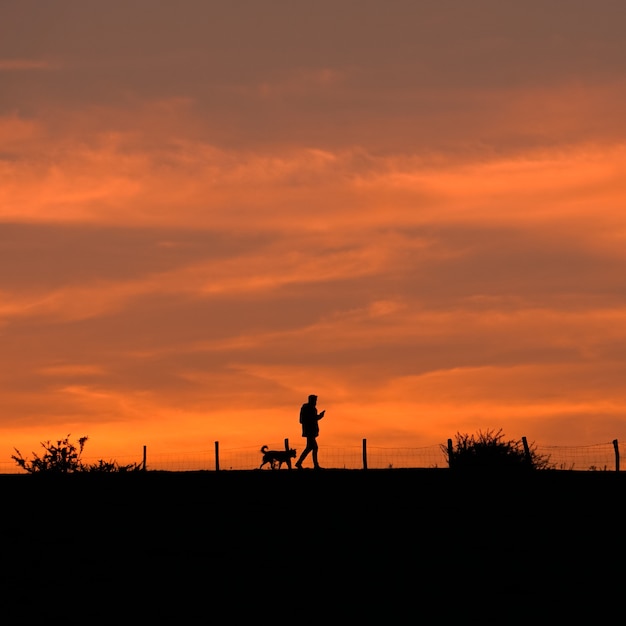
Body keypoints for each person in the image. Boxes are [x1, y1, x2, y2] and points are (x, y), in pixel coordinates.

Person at [295, 394, 326, 470]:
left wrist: (319, 416)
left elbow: (313, 419)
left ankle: (299, 463)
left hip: (311, 431)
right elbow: (303, 420)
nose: (316, 402)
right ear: (311, 400)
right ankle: (315, 465)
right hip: (309, 431)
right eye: (315, 400)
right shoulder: (307, 408)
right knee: (314, 447)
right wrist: (319, 417)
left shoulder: (312, 409)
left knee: (309, 447)